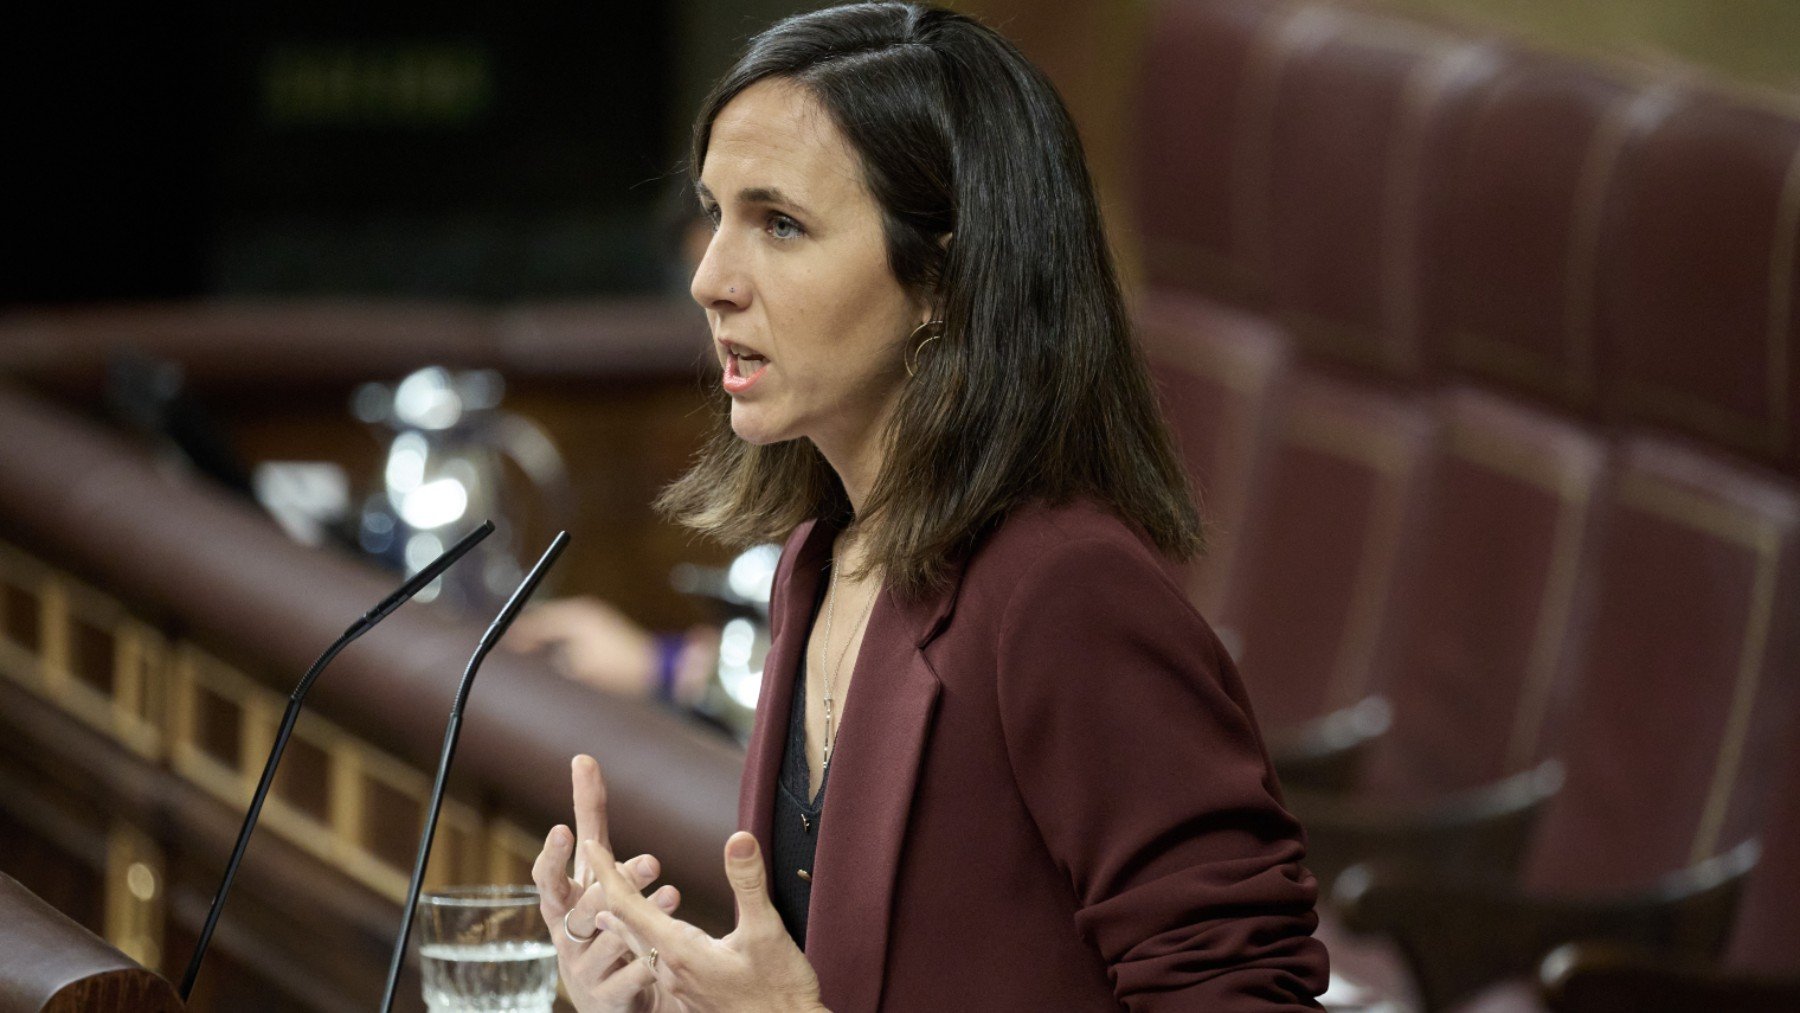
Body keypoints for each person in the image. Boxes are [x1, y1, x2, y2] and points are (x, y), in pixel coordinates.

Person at [532, 3, 1330, 1009]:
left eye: (779, 224)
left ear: (945, 279)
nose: (710, 279)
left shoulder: (1069, 591)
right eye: (714, 214)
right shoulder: (819, 558)